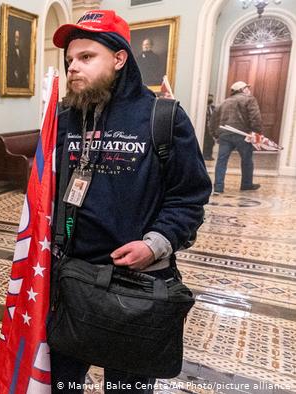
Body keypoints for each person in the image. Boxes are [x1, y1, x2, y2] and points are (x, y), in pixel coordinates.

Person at [50, 10, 211, 393]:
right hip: (71, 279)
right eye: (70, 60)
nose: (73, 67)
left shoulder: (163, 117)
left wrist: (154, 245)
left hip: (135, 285)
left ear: (119, 58)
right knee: (62, 385)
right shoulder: (65, 118)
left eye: (86, 57)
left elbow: (190, 197)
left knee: (127, 388)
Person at [209, 81, 262, 193]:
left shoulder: (223, 102)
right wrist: (256, 133)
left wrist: (215, 135)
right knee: (247, 160)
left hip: (224, 135)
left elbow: (213, 121)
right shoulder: (249, 99)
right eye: (247, 87)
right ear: (242, 90)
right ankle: (246, 184)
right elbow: (255, 117)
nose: (248, 89)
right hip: (243, 134)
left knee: (221, 161)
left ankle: (218, 187)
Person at [202, 94, 216, 160]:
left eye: (211, 97)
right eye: (209, 97)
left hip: (211, 128)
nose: (210, 98)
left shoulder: (213, 108)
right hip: (204, 128)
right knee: (206, 142)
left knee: (211, 142)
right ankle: (205, 155)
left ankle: (209, 155)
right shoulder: (203, 108)